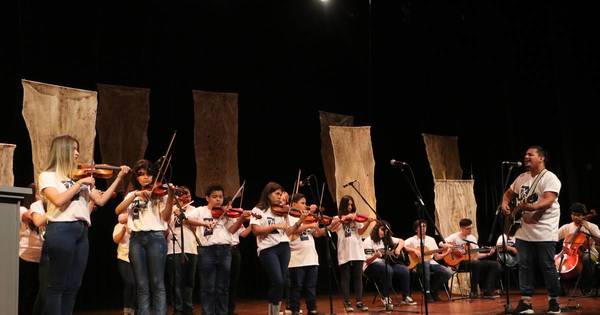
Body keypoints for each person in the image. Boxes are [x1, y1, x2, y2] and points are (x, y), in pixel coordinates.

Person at [39, 135, 130, 314]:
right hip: (61, 229)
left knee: (74, 284)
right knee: (56, 284)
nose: (77, 153)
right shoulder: (48, 175)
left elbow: (102, 200)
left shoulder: (77, 176)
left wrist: (118, 177)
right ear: (62, 150)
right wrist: (80, 183)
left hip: (81, 232)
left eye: (77, 149)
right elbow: (58, 200)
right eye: (73, 149)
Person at [501, 145, 562, 314]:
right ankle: (526, 302)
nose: (526, 157)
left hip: (544, 230)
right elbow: (508, 194)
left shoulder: (550, 178)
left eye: (531, 154)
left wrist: (532, 206)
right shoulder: (521, 177)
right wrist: (505, 204)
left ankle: (554, 301)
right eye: (525, 154)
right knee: (525, 266)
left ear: (541, 158)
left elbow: (548, 200)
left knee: (547, 266)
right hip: (523, 230)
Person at [115, 159, 174, 315]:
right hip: (136, 239)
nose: (145, 177)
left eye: (149, 174)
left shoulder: (160, 194)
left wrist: (171, 197)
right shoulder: (132, 194)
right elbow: (117, 210)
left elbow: (166, 218)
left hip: (156, 237)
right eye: (141, 175)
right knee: (141, 284)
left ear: (154, 176)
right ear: (136, 177)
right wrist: (135, 194)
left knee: (157, 282)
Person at [192, 184, 249, 315]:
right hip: (206, 251)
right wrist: (204, 223)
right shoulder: (200, 210)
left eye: (220, 197)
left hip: (225, 251)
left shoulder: (226, 214)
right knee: (208, 287)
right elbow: (188, 219)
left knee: (223, 287)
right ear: (207, 198)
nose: (218, 199)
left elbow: (232, 230)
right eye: (214, 197)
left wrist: (240, 218)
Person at [250, 182, 303, 315]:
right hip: (268, 249)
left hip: (284, 247)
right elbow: (255, 230)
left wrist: (300, 221)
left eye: (281, 194)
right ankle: (273, 312)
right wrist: (274, 226)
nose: (280, 197)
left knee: (283, 282)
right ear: (268, 194)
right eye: (277, 194)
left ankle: (274, 311)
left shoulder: (283, 211)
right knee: (278, 281)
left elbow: (289, 231)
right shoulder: (258, 210)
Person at [329, 195, 372, 312]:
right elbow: (331, 228)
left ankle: (359, 301)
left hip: (357, 249)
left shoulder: (356, 217)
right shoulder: (336, 218)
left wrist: (367, 222)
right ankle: (347, 302)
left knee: (358, 277)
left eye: (351, 204)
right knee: (346, 277)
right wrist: (344, 218)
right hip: (344, 250)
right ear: (343, 205)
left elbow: (360, 231)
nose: (350, 207)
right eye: (348, 204)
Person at [362, 220, 416, 311]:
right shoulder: (368, 241)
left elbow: (402, 241)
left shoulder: (387, 238)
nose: (383, 232)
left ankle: (405, 297)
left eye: (386, 231)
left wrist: (398, 249)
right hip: (370, 266)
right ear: (376, 229)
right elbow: (366, 261)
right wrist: (375, 256)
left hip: (386, 265)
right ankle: (385, 297)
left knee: (404, 270)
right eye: (382, 230)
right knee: (388, 270)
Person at [287, 193, 325, 315]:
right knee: (296, 287)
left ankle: (312, 309)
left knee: (311, 287)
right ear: (293, 204)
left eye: (305, 203)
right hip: (296, 258)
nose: (305, 206)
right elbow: (293, 231)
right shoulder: (288, 217)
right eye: (302, 203)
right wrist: (307, 223)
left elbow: (317, 233)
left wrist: (331, 227)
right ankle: (295, 310)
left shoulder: (309, 217)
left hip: (311, 257)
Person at [444, 218, 500, 299]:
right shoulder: (454, 237)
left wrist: (488, 254)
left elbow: (476, 255)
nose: (470, 230)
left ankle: (488, 290)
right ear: (462, 228)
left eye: (471, 228)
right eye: (468, 229)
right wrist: (455, 248)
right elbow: (442, 244)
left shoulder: (472, 238)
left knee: (495, 264)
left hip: (472, 262)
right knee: (476, 263)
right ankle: (473, 291)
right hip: (459, 263)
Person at [165, 186, 200, 315]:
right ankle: (178, 309)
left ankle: (188, 308)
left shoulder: (194, 210)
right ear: (177, 196)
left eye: (188, 194)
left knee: (189, 281)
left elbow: (195, 226)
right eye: (183, 194)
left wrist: (182, 215)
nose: (187, 197)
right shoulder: (170, 209)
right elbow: (165, 230)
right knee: (176, 282)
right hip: (173, 249)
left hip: (191, 248)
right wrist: (173, 213)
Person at [404, 220, 453, 302]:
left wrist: (447, 253)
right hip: (417, 263)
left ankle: (432, 290)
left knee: (448, 272)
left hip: (431, 261)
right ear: (416, 229)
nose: (423, 228)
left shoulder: (431, 239)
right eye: (420, 227)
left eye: (424, 226)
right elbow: (403, 246)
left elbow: (437, 257)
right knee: (425, 263)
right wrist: (414, 250)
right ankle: (426, 293)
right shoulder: (411, 240)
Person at [557, 202, 600, 295]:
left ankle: (587, 287)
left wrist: (587, 227)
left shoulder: (592, 226)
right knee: (555, 260)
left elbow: (598, 240)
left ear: (584, 216)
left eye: (578, 215)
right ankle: (559, 288)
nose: (575, 217)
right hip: (570, 253)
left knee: (586, 258)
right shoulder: (567, 227)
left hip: (590, 252)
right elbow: (553, 237)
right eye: (573, 214)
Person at [224, 197, 253, 315]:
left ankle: (230, 310)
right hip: (224, 250)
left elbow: (244, 234)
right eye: (227, 205)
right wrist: (240, 218)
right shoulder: (221, 218)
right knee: (224, 282)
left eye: (231, 205)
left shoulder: (235, 217)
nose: (230, 208)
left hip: (235, 250)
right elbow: (230, 231)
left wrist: (253, 223)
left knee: (233, 282)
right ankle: (222, 309)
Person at [18, 184, 44, 315]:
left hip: (41, 259)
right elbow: (28, 216)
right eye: (39, 193)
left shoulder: (41, 210)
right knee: (28, 293)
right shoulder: (22, 209)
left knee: (39, 294)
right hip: (25, 258)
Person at [113, 212, 136, 315]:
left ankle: (134, 308)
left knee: (136, 283)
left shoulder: (136, 224)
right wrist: (123, 229)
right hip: (123, 257)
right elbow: (116, 239)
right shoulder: (119, 226)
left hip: (136, 258)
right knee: (129, 282)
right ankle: (127, 308)